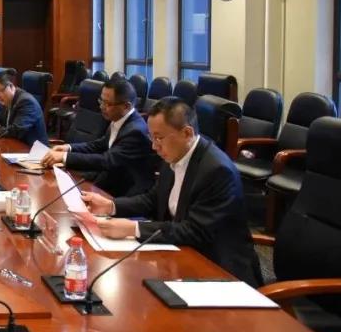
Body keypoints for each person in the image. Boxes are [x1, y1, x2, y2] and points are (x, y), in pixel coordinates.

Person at [79, 97, 262, 287]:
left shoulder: (217, 171)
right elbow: (153, 199)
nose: (154, 146)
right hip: (182, 253)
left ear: (187, 133)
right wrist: (111, 206)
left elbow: (194, 231)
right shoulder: (175, 153)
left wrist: (133, 228)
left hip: (220, 270)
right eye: (152, 137)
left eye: (159, 138)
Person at [40, 77, 157, 196]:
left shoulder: (135, 131)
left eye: (107, 103)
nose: (101, 107)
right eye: (101, 101)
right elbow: (99, 145)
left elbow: (107, 160)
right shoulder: (118, 119)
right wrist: (68, 148)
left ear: (126, 106)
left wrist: (65, 157)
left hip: (126, 192)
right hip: (108, 178)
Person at [0, 72, 48, 146]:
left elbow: (17, 131)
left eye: (0, 91)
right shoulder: (8, 100)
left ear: (11, 86)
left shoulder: (26, 102)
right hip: (15, 146)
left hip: (33, 149)